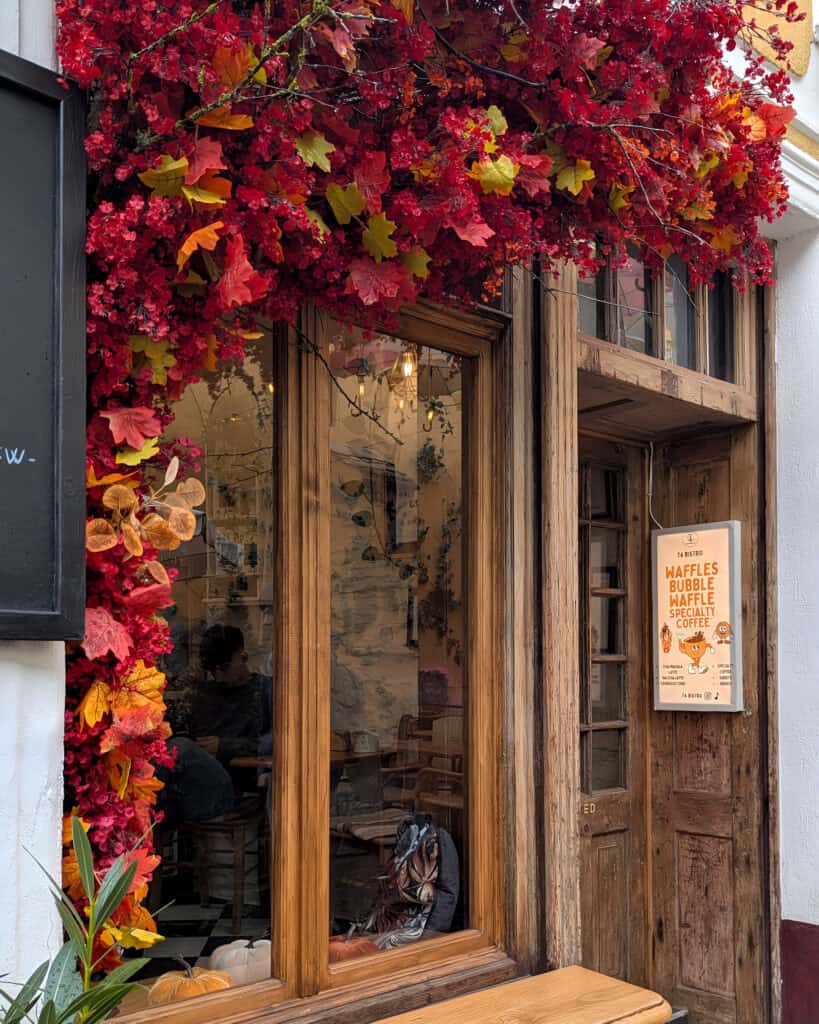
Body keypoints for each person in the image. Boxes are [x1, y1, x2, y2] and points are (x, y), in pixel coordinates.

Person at [192, 624, 272, 773]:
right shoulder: (206, 693)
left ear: (243, 657)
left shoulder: (267, 690)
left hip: (249, 783)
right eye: (213, 671)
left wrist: (225, 746)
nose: (219, 678)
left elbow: (281, 741)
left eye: (224, 667)